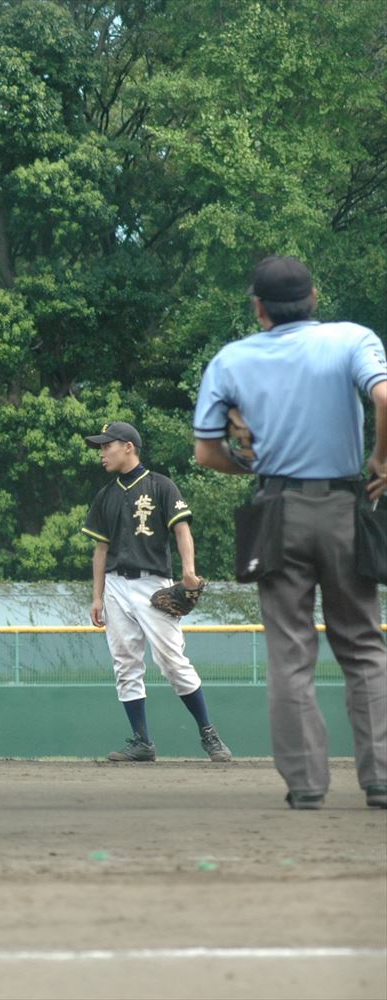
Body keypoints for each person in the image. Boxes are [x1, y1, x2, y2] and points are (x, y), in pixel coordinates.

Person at [194, 255, 387, 809]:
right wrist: (381, 458)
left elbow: (206, 452)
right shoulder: (351, 339)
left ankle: (306, 787)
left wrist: (251, 464)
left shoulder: (231, 359)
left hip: (277, 510)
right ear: (314, 297)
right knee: (363, 645)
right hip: (346, 505)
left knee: (290, 652)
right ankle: (380, 779)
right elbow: (383, 396)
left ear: (258, 307)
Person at [81, 421, 232, 764]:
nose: (102, 453)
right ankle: (142, 741)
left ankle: (208, 733)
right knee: (125, 664)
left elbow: (182, 529)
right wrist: (97, 596)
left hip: (153, 585)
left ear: (128, 447)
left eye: (107, 446)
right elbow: (100, 551)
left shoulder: (160, 485)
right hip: (115, 585)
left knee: (171, 662)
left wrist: (188, 571)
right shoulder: (105, 496)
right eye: (100, 447)